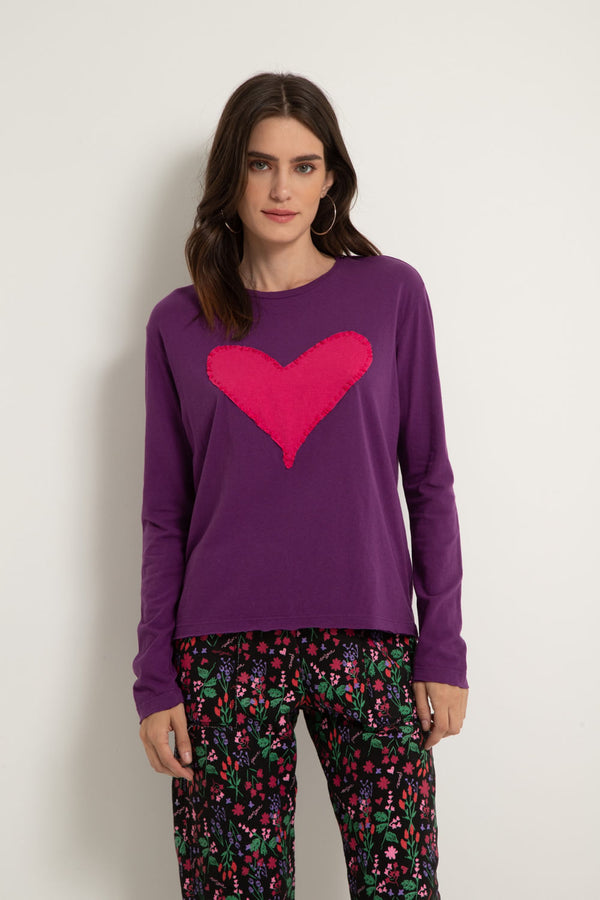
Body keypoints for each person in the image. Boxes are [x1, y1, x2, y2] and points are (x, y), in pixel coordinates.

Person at [132, 71, 468, 900]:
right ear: (231, 175)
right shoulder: (178, 322)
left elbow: (428, 480)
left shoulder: (391, 294)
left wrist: (443, 646)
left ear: (329, 179)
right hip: (222, 655)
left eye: (304, 166)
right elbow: (165, 515)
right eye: (260, 164)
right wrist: (154, 676)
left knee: (401, 884)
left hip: (372, 645)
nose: (282, 188)